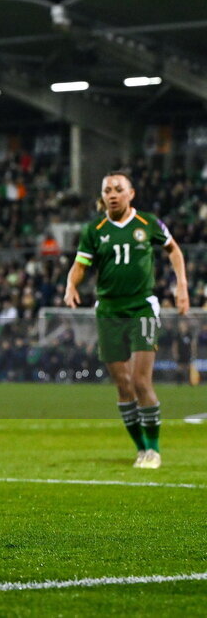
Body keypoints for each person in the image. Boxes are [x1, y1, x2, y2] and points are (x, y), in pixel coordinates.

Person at [64, 172, 189, 469]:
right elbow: (80, 264)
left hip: (141, 308)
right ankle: (141, 449)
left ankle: (154, 450)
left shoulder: (148, 223)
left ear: (131, 193)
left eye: (118, 189)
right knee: (122, 385)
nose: (113, 194)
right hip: (108, 311)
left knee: (140, 380)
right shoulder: (94, 229)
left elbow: (174, 250)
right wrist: (71, 284)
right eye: (107, 190)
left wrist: (181, 285)